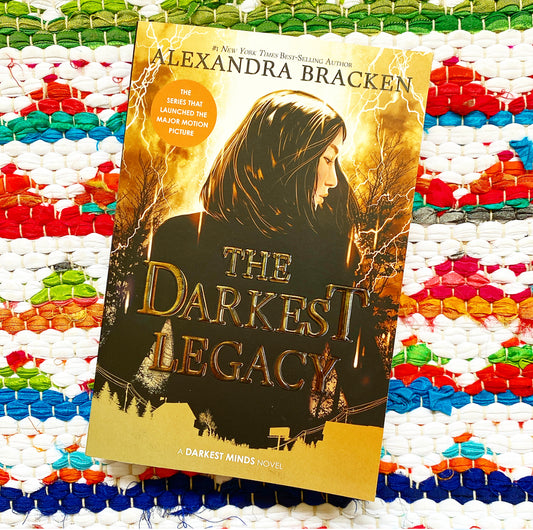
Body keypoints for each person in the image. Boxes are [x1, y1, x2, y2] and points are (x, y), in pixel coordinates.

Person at [99, 90, 388, 448]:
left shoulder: (332, 255)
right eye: (326, 159)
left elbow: (368, 393)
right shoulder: (180, 238)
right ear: (286, 157)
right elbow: (114, 367)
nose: (333, 180)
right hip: (189, 446)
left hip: (276, 456)